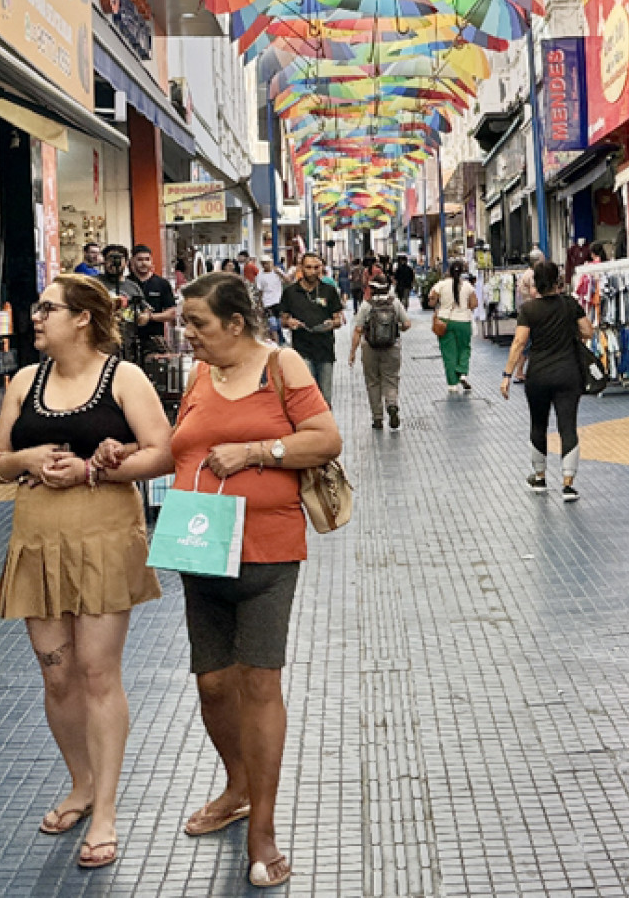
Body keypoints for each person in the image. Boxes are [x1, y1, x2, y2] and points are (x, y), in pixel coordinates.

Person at [0, 274, 173, 870]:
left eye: (48, 309)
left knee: (96, 672)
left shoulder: (124, 378)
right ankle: (81, 784)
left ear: (83, 318)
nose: (36, 317)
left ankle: (106, 811)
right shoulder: (24, 382)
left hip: (104, 539)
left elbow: (163, 451)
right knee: (58, 676)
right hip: (38, 542)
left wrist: (95, 469)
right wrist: (24, 458)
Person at [169, 272, 342, 890]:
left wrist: (255, 453)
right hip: (200, 548)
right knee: (213, 684)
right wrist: (108, 461)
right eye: (186, 324)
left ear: (236, 323)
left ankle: (262, 830)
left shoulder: (280, 366)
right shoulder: (199, 376)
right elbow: (177, 448)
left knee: (259, 682)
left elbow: (325, 439)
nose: (189, 335)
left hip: (268, 552)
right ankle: (237, 787)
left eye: (198, 324)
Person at [500, 259, 594, 502]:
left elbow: (519, 343)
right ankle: (568, 484)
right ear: (556, 282)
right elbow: (588, 330)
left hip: (538, 375)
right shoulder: (570, 304)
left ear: (537, 284)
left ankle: (540, 477)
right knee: (567, 426)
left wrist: (507, 375)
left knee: (538, 424)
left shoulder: (529, 310)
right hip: (568, 374)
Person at [279, 251, 343, 398]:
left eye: (316, 267)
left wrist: (332, 324)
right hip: (302, 349)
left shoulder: (329, 290)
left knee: (325, 396)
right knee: (308, 394)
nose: (313, 271)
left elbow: (338, 319)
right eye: (308, 267)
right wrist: (290, 322)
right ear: (301, 267)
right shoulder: (291, 292)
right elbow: (283, 320)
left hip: (325, 350)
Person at [349, 278, 409, 430]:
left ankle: (377, 418)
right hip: (392, 346)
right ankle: (392, 404)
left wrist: (352, 352)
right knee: (391, 378)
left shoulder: (366, 305)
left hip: (370, 347)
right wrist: (397, 328)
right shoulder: (395, 303)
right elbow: (407, 324)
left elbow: (358, 329)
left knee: (373, 381)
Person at [428, 261, 478, 395]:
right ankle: (462, 373)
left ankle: (452, 384)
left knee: (448, 353)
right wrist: (464, 307)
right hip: (464, 322)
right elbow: (474, 304)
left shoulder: (440, 285)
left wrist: (437, 302)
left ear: (448, 271)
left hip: (445, 321)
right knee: (464, 348)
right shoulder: (467, 286)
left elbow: (432, 301)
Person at [127, 244, 178, 357]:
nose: (144, 263)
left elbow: (171, 313)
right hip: (128, 340)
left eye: (147, 259)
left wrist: (150, 317)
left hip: (154, 340)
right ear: (132, 261)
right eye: (140, 259)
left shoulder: (162, 283)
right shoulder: (126, 284)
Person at [255, 258, 287, 344]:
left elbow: (287, 280)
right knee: (273, 325)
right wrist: (259, 304)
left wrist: (280, 273)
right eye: (263, 264)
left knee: (279, 323)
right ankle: (276, 343)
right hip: (267, 302)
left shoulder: (277, 271)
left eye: (267, 263)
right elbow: (260, 291)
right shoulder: (260, 275)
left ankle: (280, 340)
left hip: (278, 301)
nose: (266, 265)